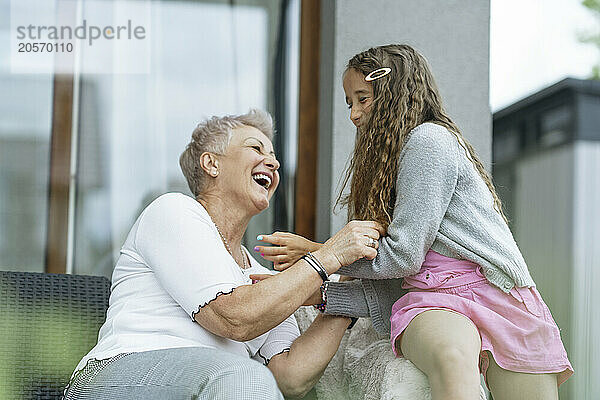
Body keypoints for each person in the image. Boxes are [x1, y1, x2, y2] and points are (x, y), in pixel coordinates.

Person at [255, 44, 573, 400]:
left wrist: (318, 255)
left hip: (500, 295)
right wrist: (310, 290)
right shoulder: (391, 163)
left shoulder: (428, 141)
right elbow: (401, 278)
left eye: (362, 98)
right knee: (452, 359)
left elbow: (401, 256)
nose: (354, 114)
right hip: (435, 301)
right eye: (349, 102)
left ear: (393, 91)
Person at [63, 109, 384, 400]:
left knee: (252, 380)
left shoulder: (267, 283)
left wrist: (347, 286)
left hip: (221, 385)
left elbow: (290, 377)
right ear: (211, 163)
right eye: (256, 149)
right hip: (116, 375)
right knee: (245, 377)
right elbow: (233, 318)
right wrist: (328, 255)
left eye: (273, 155)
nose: (273, 163)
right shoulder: (173, 211)